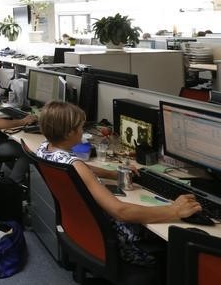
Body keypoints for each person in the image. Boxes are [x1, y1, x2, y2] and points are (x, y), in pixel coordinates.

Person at [36, 101, 202, 266]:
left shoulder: (45, 149)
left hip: (85, 232)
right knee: (183, 239)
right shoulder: (75, 165)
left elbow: (82, 166)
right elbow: (120, 211)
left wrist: (114, 174)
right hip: (120, 240)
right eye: (80, 127)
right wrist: (174, 210)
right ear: (68, 134)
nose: (82, 131)